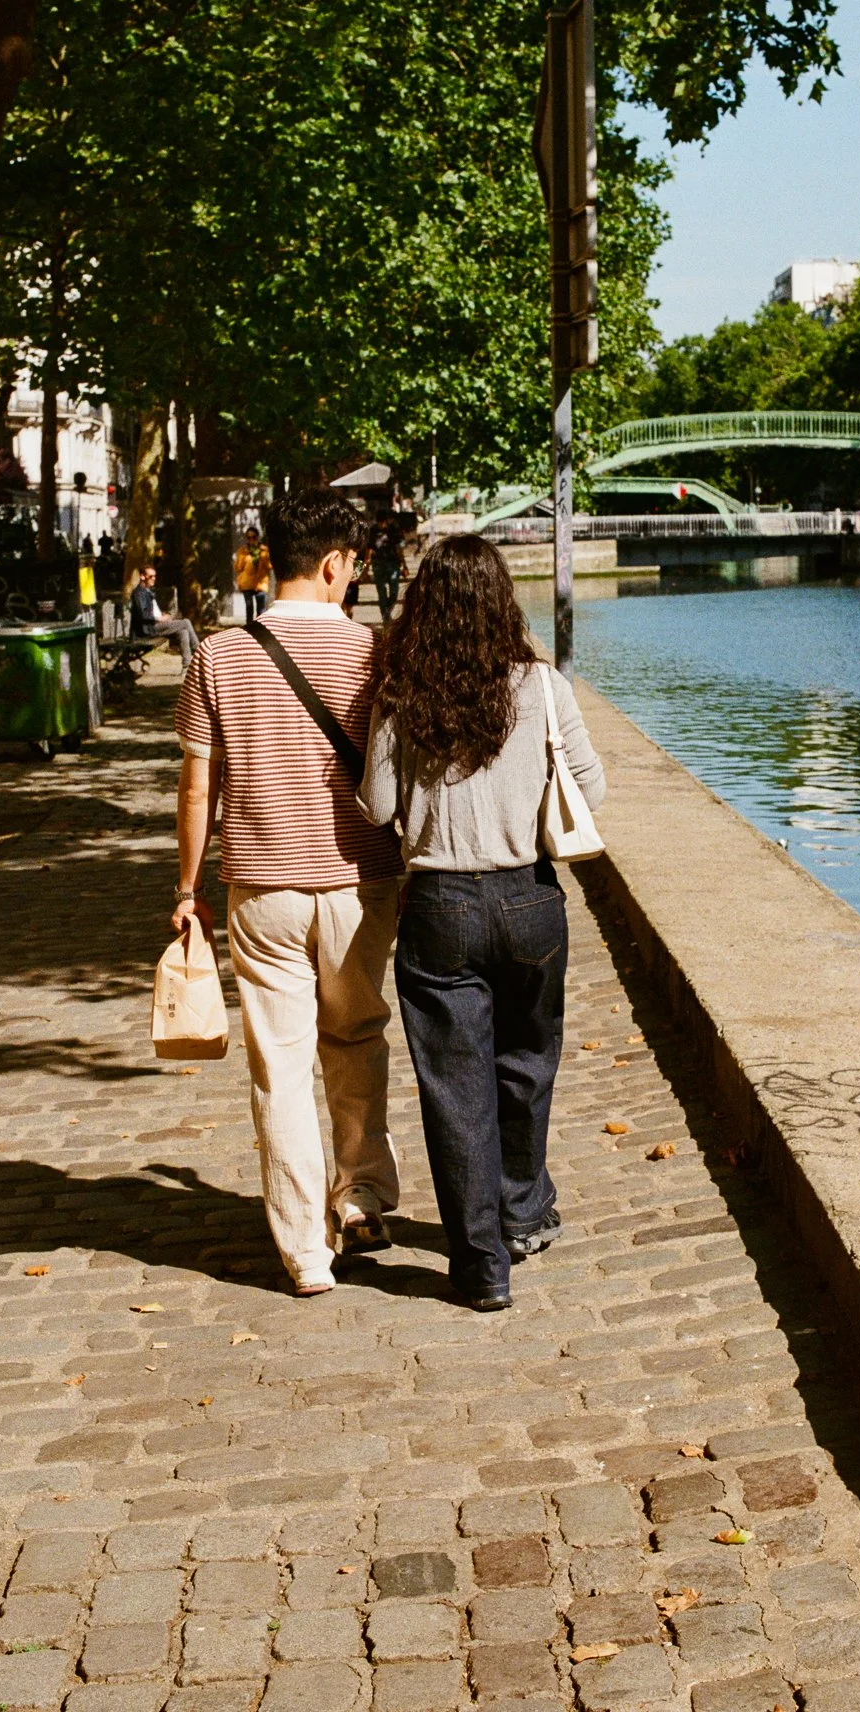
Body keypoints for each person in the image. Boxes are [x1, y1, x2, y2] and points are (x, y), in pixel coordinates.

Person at [359, 534, 605, 1312]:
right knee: (528, 1063)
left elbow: (377, 805)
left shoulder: (401, 694)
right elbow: (592, 788)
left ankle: (479, 1266)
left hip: (440, 904)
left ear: (423, 607)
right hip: (531, 898)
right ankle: (524, 1213)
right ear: (502, 602)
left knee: (455, 1086)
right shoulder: (542, 685)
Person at [173, 489, 402, 1295]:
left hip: (263, 884)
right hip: (362, 880)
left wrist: (187, 888)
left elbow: (198, 786)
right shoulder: (375, 653)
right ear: (335, 563)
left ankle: (305, 1247)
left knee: (280, 1063)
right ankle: (362, 1193)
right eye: (354, 564)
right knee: (357, 1035)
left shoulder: (219, 655)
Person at [129, 564, 199, 670]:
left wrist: (163, 615)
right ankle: (199, 651)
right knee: (185, 622)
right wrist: (159, 618)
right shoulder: (139, 593)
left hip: (154, 625)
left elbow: (151, 611)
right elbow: (143, 614)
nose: (154, 579)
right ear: (142, 577)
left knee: (183, 631)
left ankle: (187, 665)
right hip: (146, 630)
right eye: (151, 576)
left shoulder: (147, 591)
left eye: (155, 576)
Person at [367, 516, 409, 623]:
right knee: (382, 592)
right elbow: (369, 549)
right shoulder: (372, 531)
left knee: (394, 592)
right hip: (378, 565)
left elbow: (399, 549)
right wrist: (366, 568)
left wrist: (404, 565)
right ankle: (385, 618)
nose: (381, 524)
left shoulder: (393, 531)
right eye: (379, 522)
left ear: (386, 521)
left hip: (393, 564)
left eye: (383, 522)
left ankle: (387, 613)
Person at [234, 526, 271, 623]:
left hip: (261, 583)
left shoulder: (264, 550)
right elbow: (238, 568)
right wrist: (244, 557)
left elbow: (269, 566)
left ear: (257, 537)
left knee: (261, 609)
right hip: (247, 583)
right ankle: (249, 629)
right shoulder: (242, 551)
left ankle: (261, 629)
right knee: (249, 607)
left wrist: (262, 557)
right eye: (249, 537)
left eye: (253, 537)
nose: (251, 540)